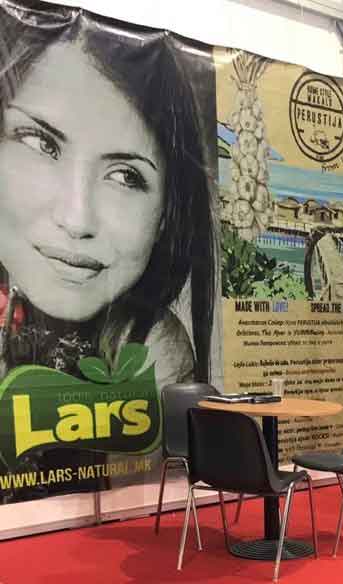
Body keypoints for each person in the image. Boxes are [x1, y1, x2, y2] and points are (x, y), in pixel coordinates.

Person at [0, 1, 215, 500]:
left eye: (125, 176)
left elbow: (139, 507)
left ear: (167, 213)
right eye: (40, 143)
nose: (77, 220)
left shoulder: (152, 346)